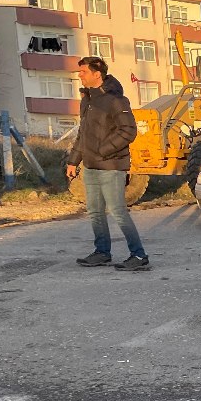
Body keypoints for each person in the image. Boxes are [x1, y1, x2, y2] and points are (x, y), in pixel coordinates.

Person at [66, 56, 150, 271]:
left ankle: (139, 256)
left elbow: (129, 131)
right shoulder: (88, 99)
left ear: (97, 74)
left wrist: (103, 151)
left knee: (118, 211)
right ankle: (102, 252)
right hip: (91, 167)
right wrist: (73, 161)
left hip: (111, 166)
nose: (80, 76)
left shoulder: (115, 100)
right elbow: (83, 134)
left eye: (83, 72)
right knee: (94, 211)